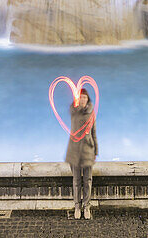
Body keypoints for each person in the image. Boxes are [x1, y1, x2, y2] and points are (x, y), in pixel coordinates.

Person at [65, 88, 97, 219]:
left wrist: (96, 150)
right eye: (81, 97)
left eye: (85, 97)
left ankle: (86, 206)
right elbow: (72, 109)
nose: (83, 100)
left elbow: (94, 132)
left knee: (88, 180)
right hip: (75, 151)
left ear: (88, 99)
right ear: (78, 99)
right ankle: (77, 207)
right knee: (76, 180)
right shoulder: (74, 112)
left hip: (88, 150)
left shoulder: (91, 113)